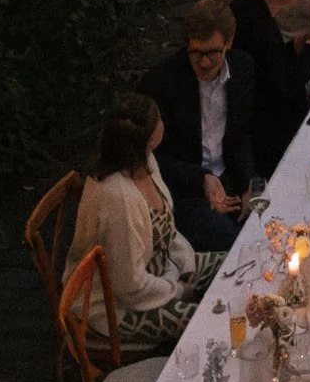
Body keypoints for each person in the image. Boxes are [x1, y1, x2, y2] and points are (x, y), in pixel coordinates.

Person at [73, 95, 215, 352]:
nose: (164, 121)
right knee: (213, 322)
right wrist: (178, 289)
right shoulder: (118, 198)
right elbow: (130, 287)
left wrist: (187, 266)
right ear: (151, 135)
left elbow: (168, 230)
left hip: (163, 271)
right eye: (160, 118)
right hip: (119, 307)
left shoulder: (144, 160)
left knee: (238, 263)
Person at [147, 0, 264, 251]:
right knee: (238, 247)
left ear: (229, 42)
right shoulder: (162, 83)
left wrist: (248, 185)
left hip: (231, 178)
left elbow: (241, 135)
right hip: (188, 192)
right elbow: (152, 160)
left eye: (213, 53)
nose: (204, 62)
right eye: (196, 53)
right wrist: (202, 179)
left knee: (274, 228)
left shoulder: (243, 68)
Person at [233, 0, 310, 168]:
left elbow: (271, 62)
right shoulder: (259, 26)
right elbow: (283, 85)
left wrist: (296, 45)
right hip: (267, 131)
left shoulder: (248, 5)